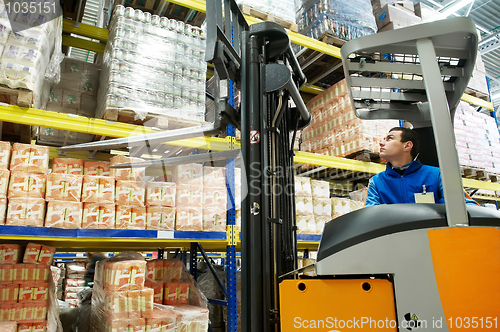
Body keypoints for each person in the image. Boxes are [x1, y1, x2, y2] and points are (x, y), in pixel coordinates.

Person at [365, 127, 477, 206]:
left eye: (389, 138)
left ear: (407, 145)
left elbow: (464, 205)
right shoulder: (376, 182)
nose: (381, 143)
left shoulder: (437, 175)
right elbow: (370, 217)